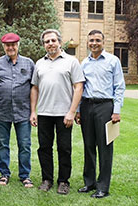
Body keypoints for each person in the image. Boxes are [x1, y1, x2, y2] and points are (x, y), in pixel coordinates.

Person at [30, 29, 85, 195]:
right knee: (44, 148)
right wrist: (33, 111)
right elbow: (35, 88)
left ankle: (63, 181)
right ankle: (47, 179)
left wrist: (72, 112)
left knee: (64, 148)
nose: (50, 44)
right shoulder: (39, 63)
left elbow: (79, 87)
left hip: (64, 114)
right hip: (45, 113)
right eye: (47, 42)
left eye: (53, 40)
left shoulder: (71, 61)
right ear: (44, 45)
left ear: (60, 42)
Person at [76, 30, 125, 198]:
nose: (94, 43)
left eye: (97, 40)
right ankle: (89, 183)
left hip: (105, 107)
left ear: (103, 42)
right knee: (88, 146)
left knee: (105, 148)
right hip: (87, 106)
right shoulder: (84, 63)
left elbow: (119, 86)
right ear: (87, 42)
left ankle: (103, 186)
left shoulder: (113, 61)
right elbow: (80, 88)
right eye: (91, 40)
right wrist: (78, 111)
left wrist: (116, 111)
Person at [0, 33, 35, 188]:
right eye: (7, 45)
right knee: (3, 144)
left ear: (18, 45)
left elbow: (34, 88)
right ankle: (4, 174)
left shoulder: (29, 64)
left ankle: (25, 175)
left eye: (13, 44)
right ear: (3, 46)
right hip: (2, 111)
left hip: (23, 112)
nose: (11, 47)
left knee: (25, 144)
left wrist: (34, 111)